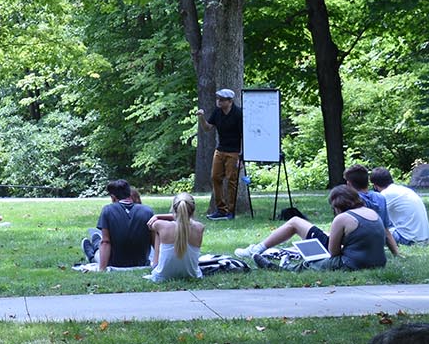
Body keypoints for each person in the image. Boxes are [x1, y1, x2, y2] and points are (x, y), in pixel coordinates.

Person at [235, 185, 401, 271]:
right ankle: (261, 251)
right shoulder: (372, 213)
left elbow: (334, 253)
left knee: (312, 262)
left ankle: (281, 268)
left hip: (352, 263)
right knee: (297, 224)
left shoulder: (342, 218)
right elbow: (379, 236)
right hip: (379, 262)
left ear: (337, 205)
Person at [84, 179, 155, 271]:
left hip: (115, 263)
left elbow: (106, 242)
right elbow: (155, 242)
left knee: (99, 251)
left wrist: (102, 269)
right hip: (141, 262)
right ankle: (95, 243)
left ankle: (91, 254)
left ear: (113, 197)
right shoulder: (148, 211)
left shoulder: (108, 210)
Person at [199, 88, 242, 220]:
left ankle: (231, 211)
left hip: (234, 152)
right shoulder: (217, 112)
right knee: (215, 177)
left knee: (231, 181)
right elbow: (207, 128)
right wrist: (201, 117)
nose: (219, 102)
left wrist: (241, 156)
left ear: (230, 101)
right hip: (220, 150)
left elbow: (243, 136)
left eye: (222, 100)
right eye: (218, 99)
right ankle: (220, 210)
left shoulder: (238, 113)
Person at [145, 193, 205, 282]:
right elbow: (186, 220)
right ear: (193, 210)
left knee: (157, 232)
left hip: (161, 277)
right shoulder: (199, 228)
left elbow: (150, 226)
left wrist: (158, 216)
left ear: (173, 209)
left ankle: (156, 264)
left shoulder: (160, 225)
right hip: (193, 275)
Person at [371, 167, 429, 245]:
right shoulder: (403, 190)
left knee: (373, 229)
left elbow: (372, 217)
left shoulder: (386, 194)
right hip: (426, 238)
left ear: (375, 186)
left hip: (409, 239)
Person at [344, 165, 394, 231]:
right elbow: (386, 229)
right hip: (380, 237)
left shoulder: (352, 200)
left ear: (349, 183)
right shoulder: (380, 197)